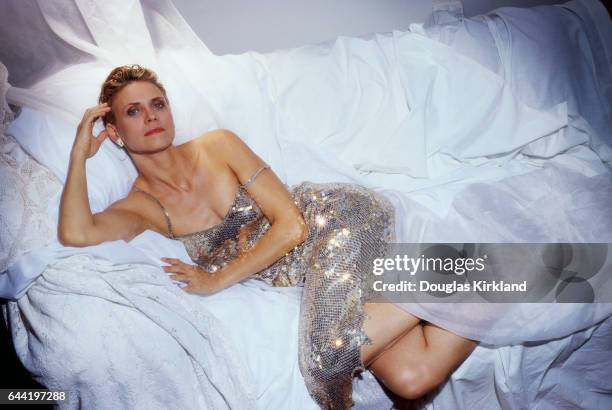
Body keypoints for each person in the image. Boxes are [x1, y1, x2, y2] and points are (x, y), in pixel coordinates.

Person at [58, 64, 477, 409]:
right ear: (113, 130)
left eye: (158, 104)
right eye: (132, 112)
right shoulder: (144, 208)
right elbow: (77, 233)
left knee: (326, 361)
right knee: (411, 377)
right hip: (316, 272)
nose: (151, 117)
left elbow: (293, 225)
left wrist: (217, 279)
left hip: (337, 220)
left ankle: (461, 272)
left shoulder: (217, 146)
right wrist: (78, 153)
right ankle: (500, 274)